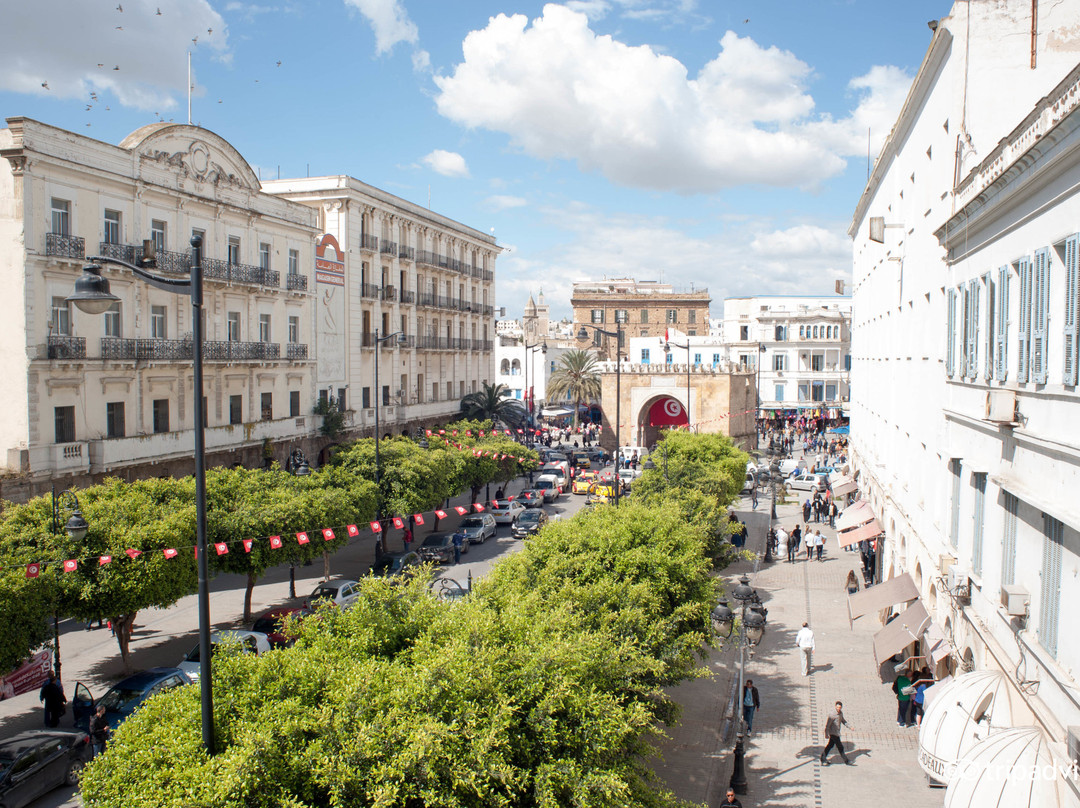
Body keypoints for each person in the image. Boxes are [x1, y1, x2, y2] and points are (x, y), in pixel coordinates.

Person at [820, 701, 853, 766]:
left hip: (837, 732)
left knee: (830, 745)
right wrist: (826, 734)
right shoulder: (832, 715)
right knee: (840, 747)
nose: (838, 709)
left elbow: (843, 721)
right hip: (833, 733)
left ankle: (823, 758)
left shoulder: (840, 713)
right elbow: (827, 725)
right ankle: (846, 761)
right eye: (837, 707)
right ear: (835, 706)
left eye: (839, 707)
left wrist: (849, 726)